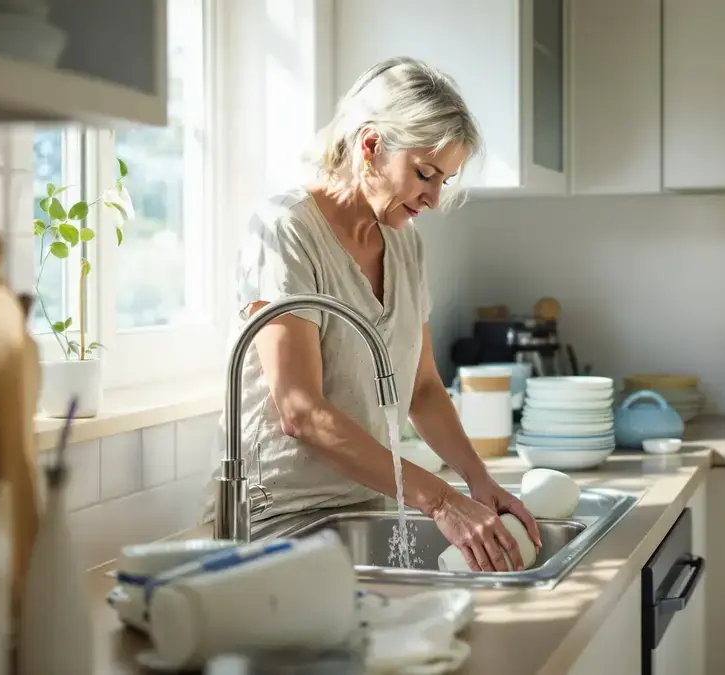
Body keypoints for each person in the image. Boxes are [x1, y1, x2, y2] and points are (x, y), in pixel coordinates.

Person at [209, 56, 541, 572]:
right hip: (280, 523)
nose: (432, 198)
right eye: (425, 174)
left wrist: (477, 479)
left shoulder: (406, 247)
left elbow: (424, 389)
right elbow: (300, 411)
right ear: (370, 147)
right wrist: (442, 500)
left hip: (368, 505)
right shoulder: (286, 231)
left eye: (444, 181)